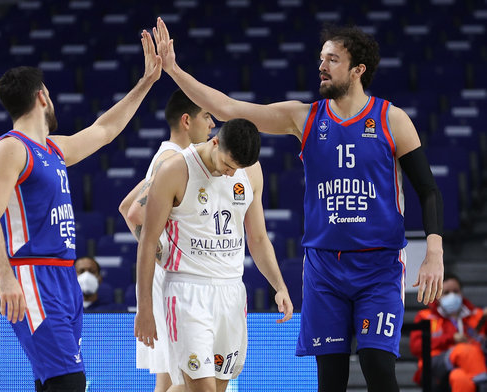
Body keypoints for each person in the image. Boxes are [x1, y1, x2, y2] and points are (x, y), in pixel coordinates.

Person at [151, 18, 445, 392]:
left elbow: (429, 190)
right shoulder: (304, 117)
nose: (321, 66)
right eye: (322, 58)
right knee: (330, 378)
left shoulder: (392, 120)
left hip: (379, 266)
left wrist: (433, 250)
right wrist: (174, 69)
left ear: (358, 70)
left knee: (377, 365)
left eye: (332, 60)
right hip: (324, 269)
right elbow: (226, 106)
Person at [0, 30, 161, 391]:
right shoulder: (11, 150)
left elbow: (104, 130)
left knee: (54, 383)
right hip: (34, 275)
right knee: (70, 384)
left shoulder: (53, 149)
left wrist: (146, 82)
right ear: (42, 96)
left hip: (64, 278)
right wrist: (5, 277)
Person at [134, 118, 293, 392]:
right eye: (228, 166)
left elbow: (257, 238)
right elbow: (147, 241)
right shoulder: (175, 170)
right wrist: (145, 307)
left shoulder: (251, 171)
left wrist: (279, 286)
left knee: (217, 389)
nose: (232, 174)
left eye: (238, 169)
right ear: (215, 142)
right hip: (187, 291)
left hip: (231, 291)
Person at [118, 88, 215, 392]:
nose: (212, 124)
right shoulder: (174, 159)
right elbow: (135, 213)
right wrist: (166, 256)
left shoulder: (168, 156)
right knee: (190, 380)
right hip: (173, 282)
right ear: (187, 120)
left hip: (168, 278)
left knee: (170, 379)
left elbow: (125, 207)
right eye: (206, 116)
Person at [410, 272, 487, 392]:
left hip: (469, 367)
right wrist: (451, 338)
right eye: (446, 293)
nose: (452, 296)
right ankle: (484, 384)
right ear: (436, 294)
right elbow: (415, 347)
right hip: (434, 367)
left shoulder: (478, 315)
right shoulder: (425, 316)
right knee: (463, 350)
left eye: (456, 291)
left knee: (459, 378)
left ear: (461, 293)